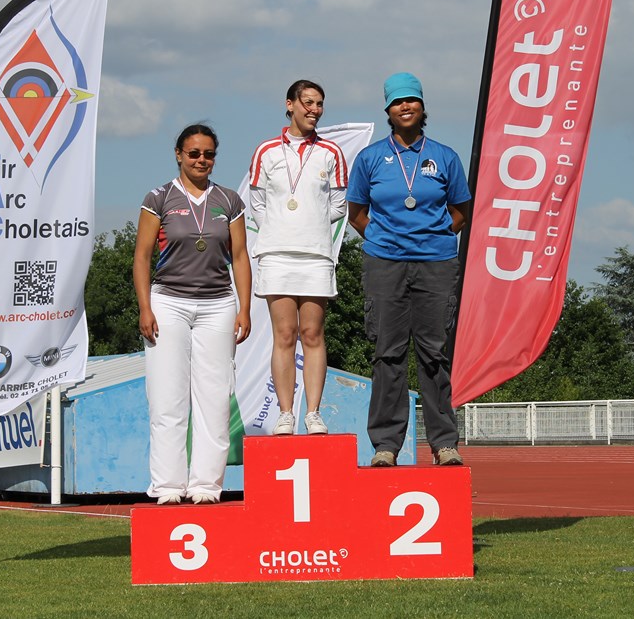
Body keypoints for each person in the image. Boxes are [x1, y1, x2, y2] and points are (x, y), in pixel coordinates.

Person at [346, 72, 471, 467]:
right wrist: (385, 239)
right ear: (388, 109)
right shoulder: (370, 159)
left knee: (434, 353)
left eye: (411, 100)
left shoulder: (445, 156)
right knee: (388, 353)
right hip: (385, 263)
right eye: (397, 101)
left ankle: (444, 443)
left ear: (422, 106)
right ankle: (386, 445)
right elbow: (357, 214)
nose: (405, 106)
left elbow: (460, 211)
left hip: (436, 263)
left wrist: (433, 237)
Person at [134, 124, 252, 504]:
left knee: (214, 400)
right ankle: (168, 486)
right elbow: (142, 257)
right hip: (168, 302)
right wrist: (145, 307)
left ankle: (205, 485)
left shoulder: (229, 200)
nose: (202, 160)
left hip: (218, 304)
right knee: (167, 397)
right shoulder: (159, 198)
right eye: (194, 153)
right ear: (179, 155)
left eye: (209, 154)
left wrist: (245, 308)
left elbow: (239, 257)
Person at [249, 79, 348, 435]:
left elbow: (338, 205)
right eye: (307, 102)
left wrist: (310, 224)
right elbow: (257, 203)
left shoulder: (331, 153)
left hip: (315, 255)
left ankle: (314, 413)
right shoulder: (266, 151)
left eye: (319, 104)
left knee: (312, 333)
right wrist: (280, 228)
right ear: (290, 104)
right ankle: (286, 412)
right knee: (285, 334)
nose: (314, 110)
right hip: (276, 254)